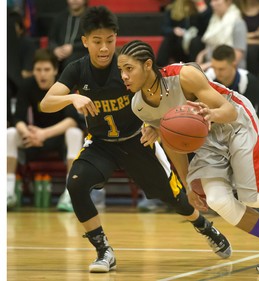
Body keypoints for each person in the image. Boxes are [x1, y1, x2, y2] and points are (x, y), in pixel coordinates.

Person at [117, 39, 259, 274]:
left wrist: (209, 114)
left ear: (147, 65)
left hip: (234, 122)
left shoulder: (184, 76)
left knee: (256, 195)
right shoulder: (139, 106)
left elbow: (229, 111)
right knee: (218, 200)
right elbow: (174, 143)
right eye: (120, 70)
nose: (123, 76)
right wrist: (186, 183)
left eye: (129, 68)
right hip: (206, 138)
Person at [40, 6, 231, 273]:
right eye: (97, 42)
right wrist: (71, 97)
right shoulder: (76, 70)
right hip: (101, 144)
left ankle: (204, 226)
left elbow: (159, 96)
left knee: (176, 199)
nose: (104, 48)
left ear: (116, 38)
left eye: (109, 40)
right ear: (85, 41)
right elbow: (46, 103)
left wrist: (155, 124)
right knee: (76, 183)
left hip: (138, 141)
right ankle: (103, 250)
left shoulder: (127, 68)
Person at [7, 49, 83, 210]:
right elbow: (18, 118)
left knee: (75, 133)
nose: (42, 74)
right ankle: (8, 193)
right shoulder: (27, 85)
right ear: (33, 71)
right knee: (10, 133)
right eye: (38, 70)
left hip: (57, 138)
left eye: (47, 70)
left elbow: (72, 120)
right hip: (33, 137)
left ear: (55, 70)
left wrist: (44, 134)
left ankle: (71, 194)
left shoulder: (63, 86)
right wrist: (26, 132)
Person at [204, 44, 259, 112]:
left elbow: (252, 114)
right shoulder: (207, 78)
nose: (217, 72)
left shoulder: (249, 81)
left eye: (221, 69)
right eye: (214, 67)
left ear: (234, 65)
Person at [156, 0, 212, 66]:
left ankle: (195, 69)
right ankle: (159, 68)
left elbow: (208, 29)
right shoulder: (173, 8)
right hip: (180, 46)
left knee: (196, 41)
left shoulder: (205, 7)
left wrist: (202, 10)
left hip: (197, 46)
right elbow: (163, 29)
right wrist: (173, 30)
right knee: (169, 38)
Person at [196, 0, 247, 71]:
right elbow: (212, 47)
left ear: (228, 1)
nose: (212, 4)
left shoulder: (238, 23)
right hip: (211, 67)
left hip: (230, 70)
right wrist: (201, 54)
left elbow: (237, 56)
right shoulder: (214, 21)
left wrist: (209, 65)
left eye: (216, 1)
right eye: (212, 1)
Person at [48, 0, 88, 73]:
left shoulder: (91, 18)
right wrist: (55, 49)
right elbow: (51, 39)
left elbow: (93, 40)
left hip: (81, 53)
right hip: (59, 55)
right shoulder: (59, 17)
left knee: (71, 62)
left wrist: (73, 47)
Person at [236, 0, 259, 77]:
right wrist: (256, 34)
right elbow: (235, 35)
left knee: (252, 51)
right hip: (240, 44)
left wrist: (246, 38)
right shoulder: (237, 9)